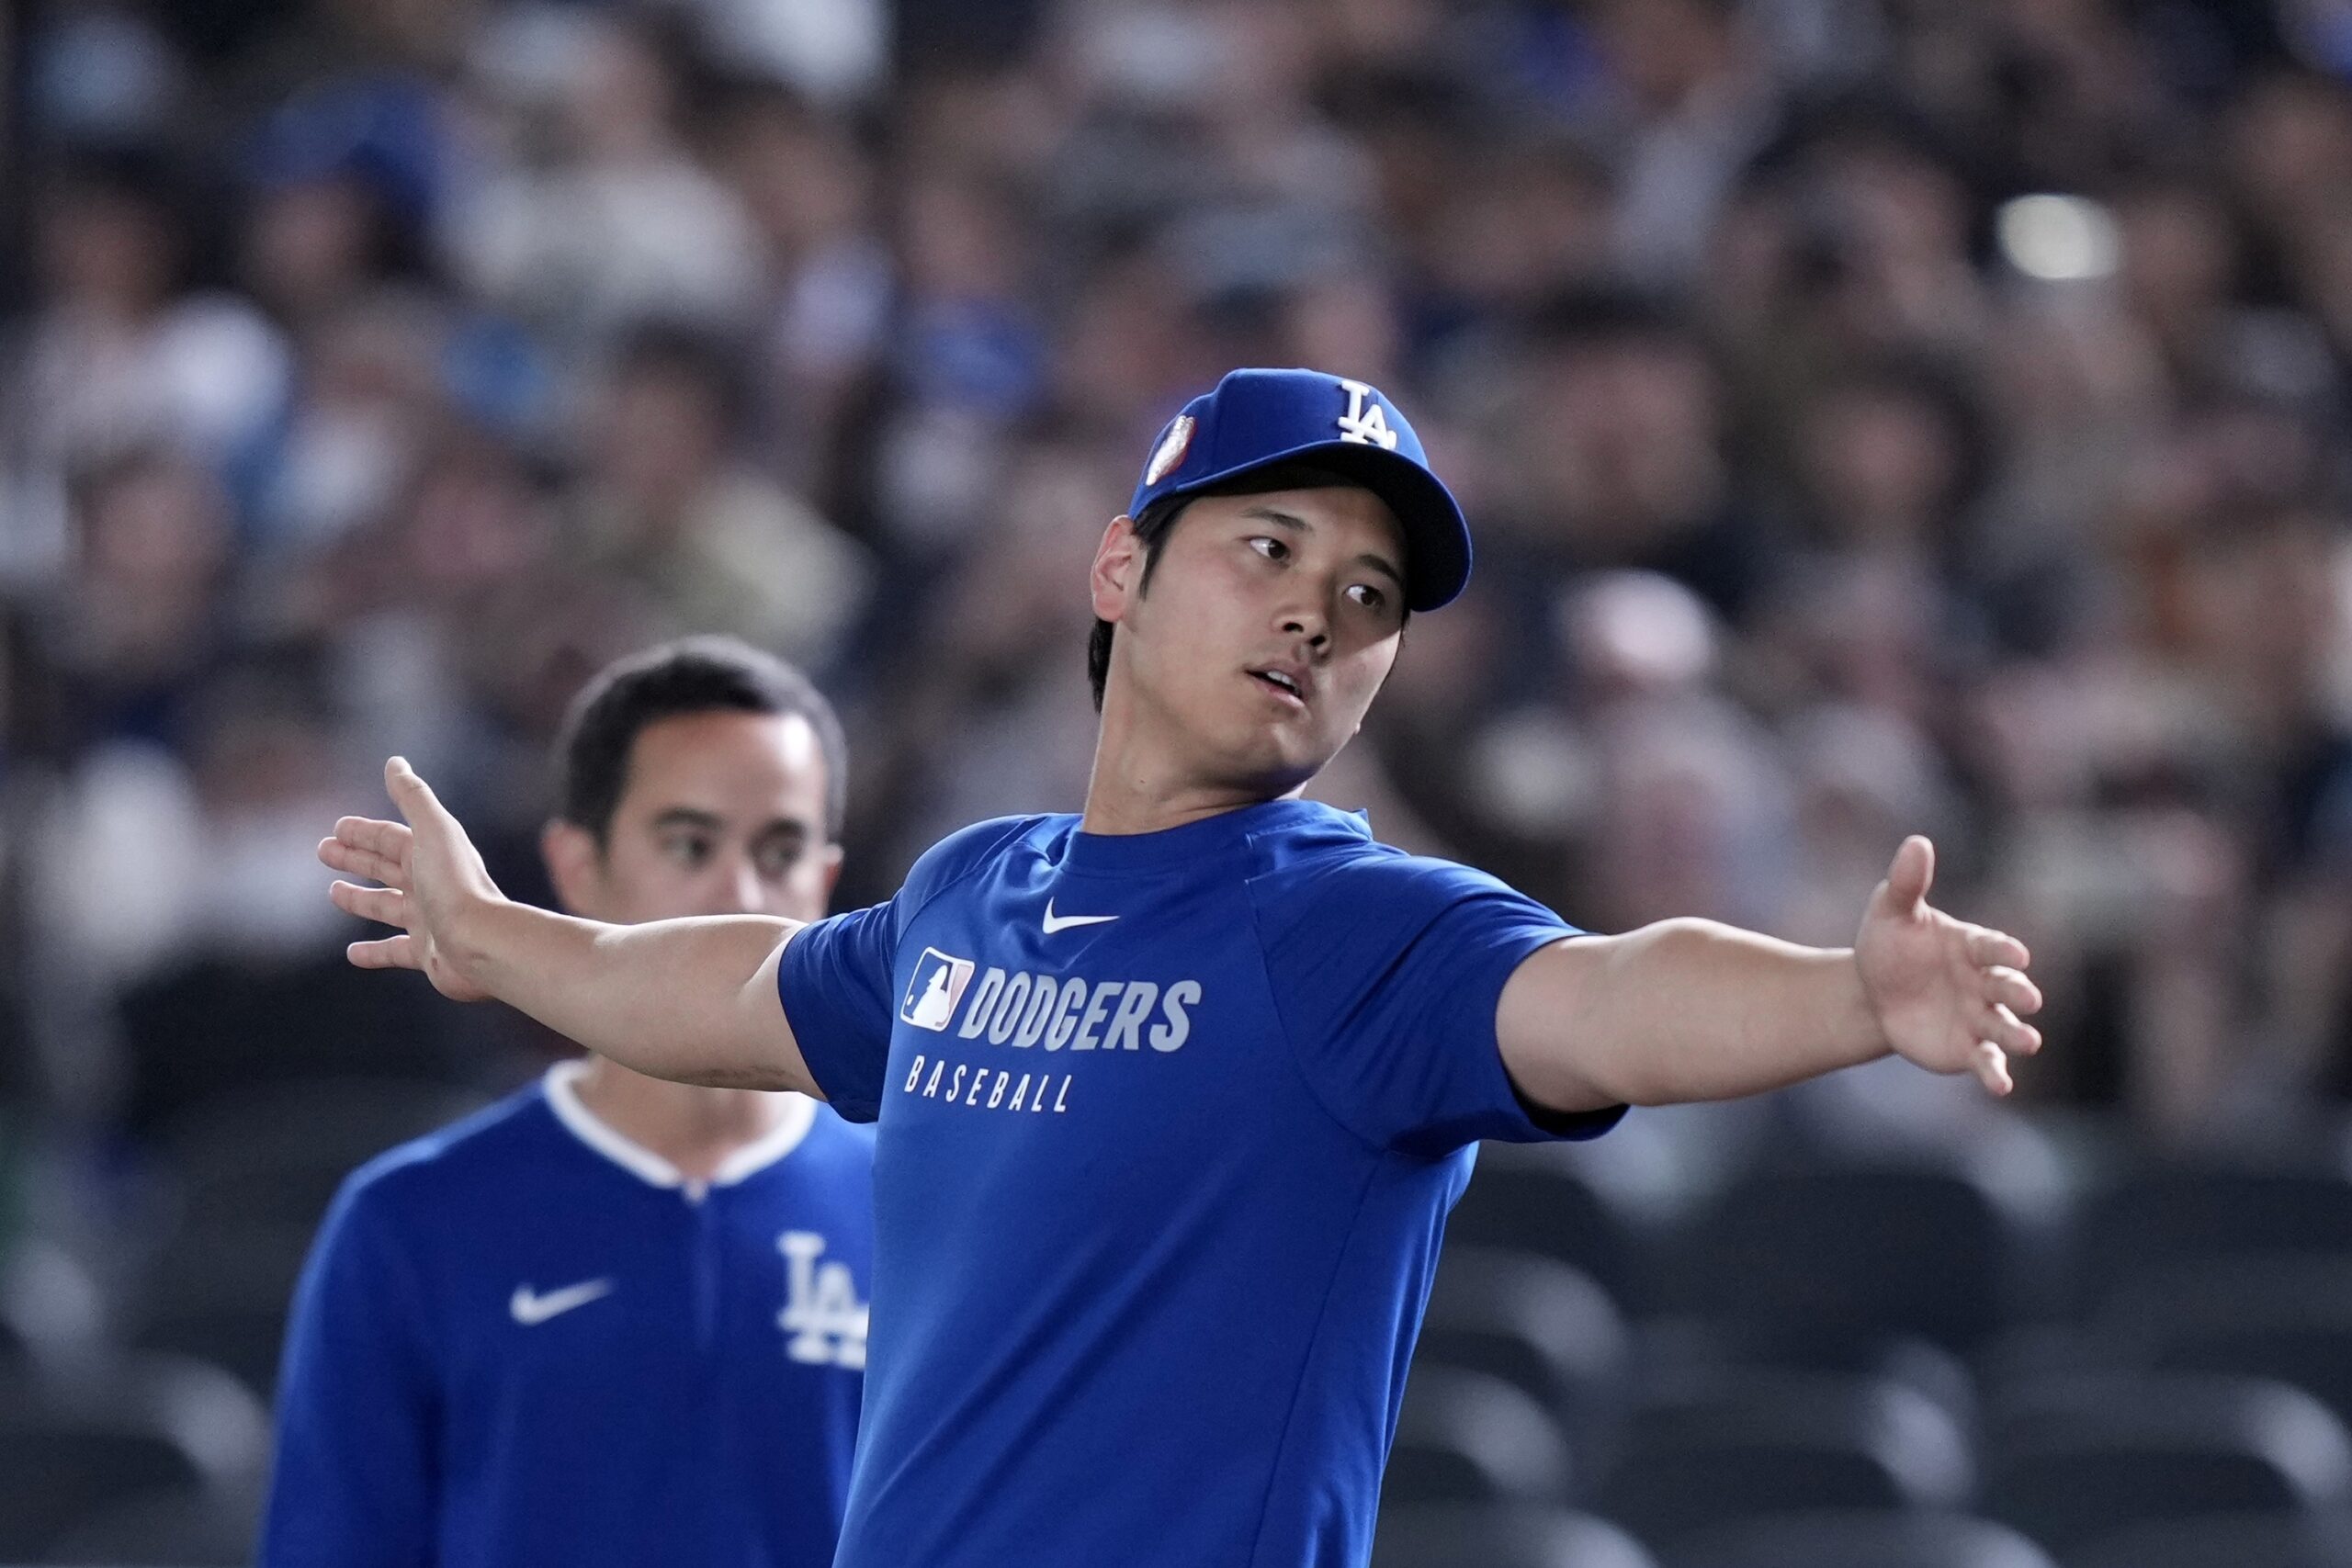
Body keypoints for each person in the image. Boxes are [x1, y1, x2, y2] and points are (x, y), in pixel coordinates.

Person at [321, 369, 2044, 1568]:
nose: (1319, 611)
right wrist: (499, 941)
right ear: (1120, 569)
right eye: (1270, 547)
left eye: (1371, 595)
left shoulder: (1356, 931)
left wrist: (1844, 994)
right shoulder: (972, 895)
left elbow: (1601, 998)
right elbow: (733, 993)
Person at [270, 637, 872, 1568]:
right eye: (688, 843)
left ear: (828, 885)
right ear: (575, 868)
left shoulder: (928, 1208)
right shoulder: (409, 1222)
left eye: (782, 849)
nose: (743, 894)